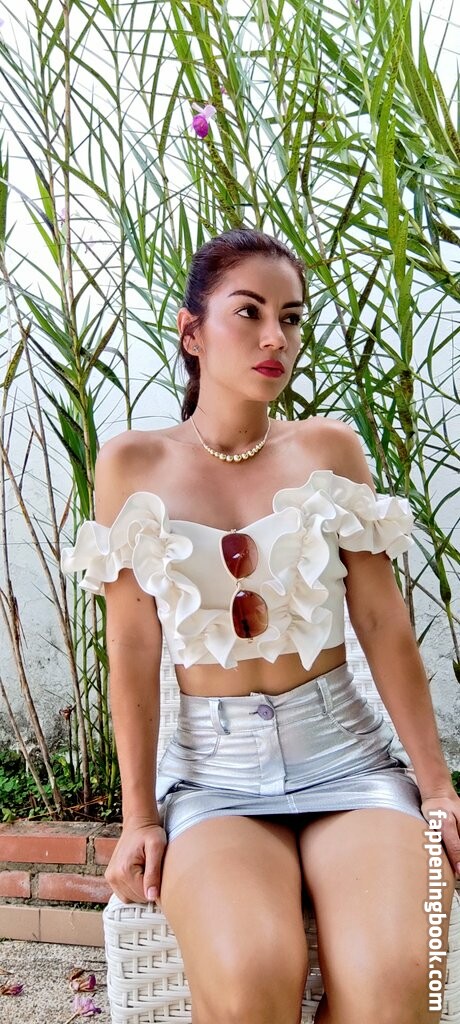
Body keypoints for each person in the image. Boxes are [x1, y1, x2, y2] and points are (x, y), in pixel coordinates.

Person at [62, 227, 459, 1024]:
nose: (277, 337)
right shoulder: (131, 465)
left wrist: (439, 787)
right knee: (250, 983)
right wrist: (139, 818)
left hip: (351, 764)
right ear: (192, 332)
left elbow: (381, 622)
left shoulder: (330, 449)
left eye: (292, 317)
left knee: (398, 985)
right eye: (249, 312)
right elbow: (132, 649)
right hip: (215, 780)